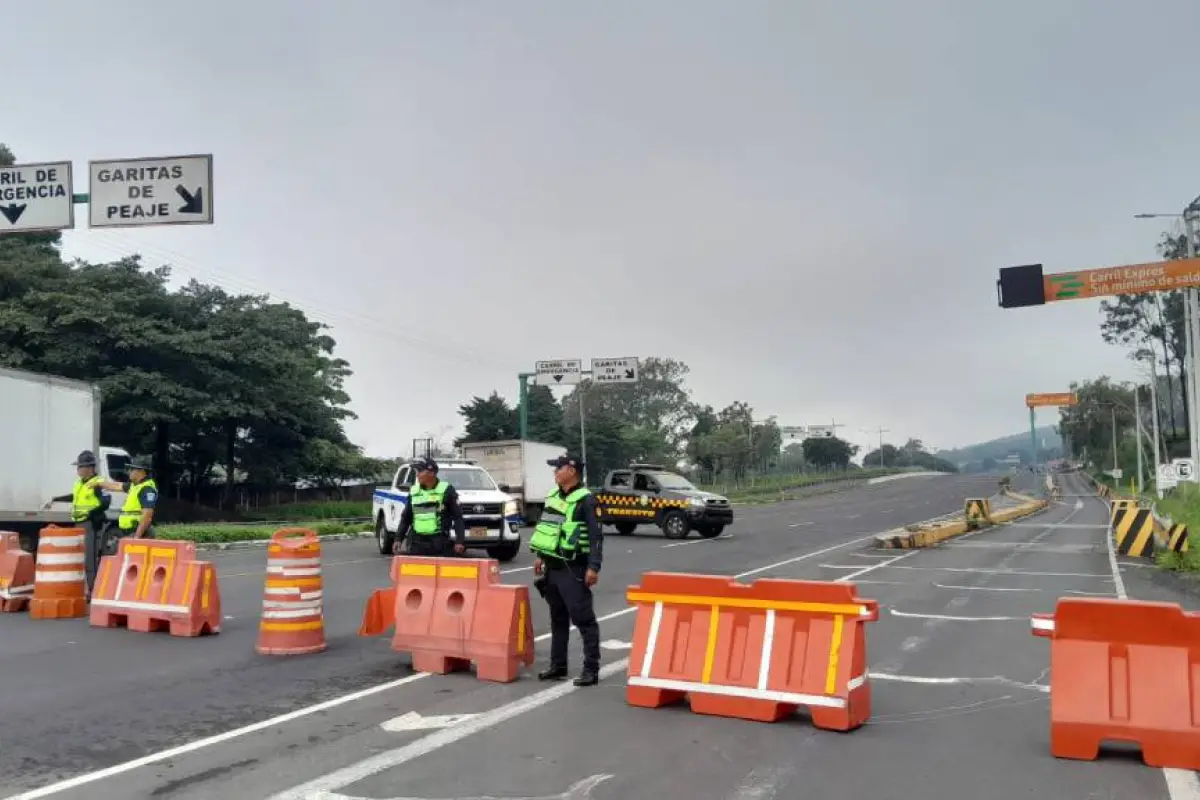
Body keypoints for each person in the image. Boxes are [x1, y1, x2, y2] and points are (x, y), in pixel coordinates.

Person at [529, 454, 602, 687]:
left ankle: (591, 669)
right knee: (557, 618)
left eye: (558, 468)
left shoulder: (586, 500)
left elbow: (595, 537)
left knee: (584, 620)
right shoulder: (552, 497)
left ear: (571, 470)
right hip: (552, 566)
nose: (555, 473)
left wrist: (593, 567)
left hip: (574, 567)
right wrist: (540, 556)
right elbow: (548, 529)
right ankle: (558, 665)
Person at [393, 457, 467, 557]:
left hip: (439, 543)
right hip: (416, 543)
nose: (417, 474)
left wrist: (460, 541)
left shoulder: (447, 490)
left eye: (420, 471)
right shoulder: (414, 491)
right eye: (417, 471)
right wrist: (398, 539)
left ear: (431, 473)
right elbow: (406, 518)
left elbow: (458, 518)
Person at [70, 450, 112, 594]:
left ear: (89, 468)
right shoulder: (79, 483)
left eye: (80, 467)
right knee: (80, 557)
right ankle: (84, 589)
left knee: (90, 559)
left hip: (90, 524)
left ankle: (93, 591)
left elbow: (106, 501)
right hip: (78, 523)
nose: (78, 470)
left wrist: (92, 513)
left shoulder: (98, 482)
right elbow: (75, 497)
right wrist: (55, 500)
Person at [96, 455, 159, 548]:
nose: (129, 472)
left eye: (131, 469)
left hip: (139, 533)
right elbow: (116, 486)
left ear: (141, 472)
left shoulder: (147, 489)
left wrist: (137, 537)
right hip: (130, 532)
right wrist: (98, 483)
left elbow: (147, 515)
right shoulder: (134, 486)